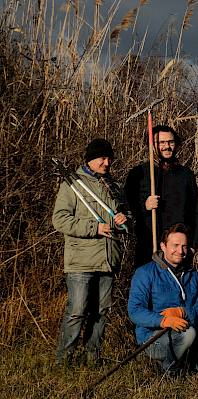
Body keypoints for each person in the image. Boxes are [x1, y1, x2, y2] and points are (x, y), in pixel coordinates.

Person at [53, 138, 129, 366]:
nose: (106, 163)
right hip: (81, 262)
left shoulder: (114, 186)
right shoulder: (73, 185)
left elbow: (124, 217)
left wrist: (123, 220)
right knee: (77, 311)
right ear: (90, 159)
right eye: (102, 159)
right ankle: (64, 360)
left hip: (108, 260)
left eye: (109, 159)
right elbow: (60, 219)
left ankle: (92, 358)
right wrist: (93, 228)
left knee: (102, 311)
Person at [128, 224, 198, 375]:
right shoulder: (145, 273)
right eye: (175, 245)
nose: (180, 251)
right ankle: (169, 372)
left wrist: (183, 312)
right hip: (154, 339)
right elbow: (135, 311)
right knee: (187, 334)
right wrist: (163, 321)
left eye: (184, 246)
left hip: (191, 335)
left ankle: (187, 363)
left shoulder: (192, 274)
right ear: (163, 246)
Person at [125, 125, 198, 267]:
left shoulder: (185, 175)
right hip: (148, 246)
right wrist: (145, 206)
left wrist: (193, 245)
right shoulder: (139, 174)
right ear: (152, 145)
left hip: (179, 248)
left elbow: (194, 212)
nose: (167, 147)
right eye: (161, 143)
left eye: (171, 142)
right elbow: (127, 208)